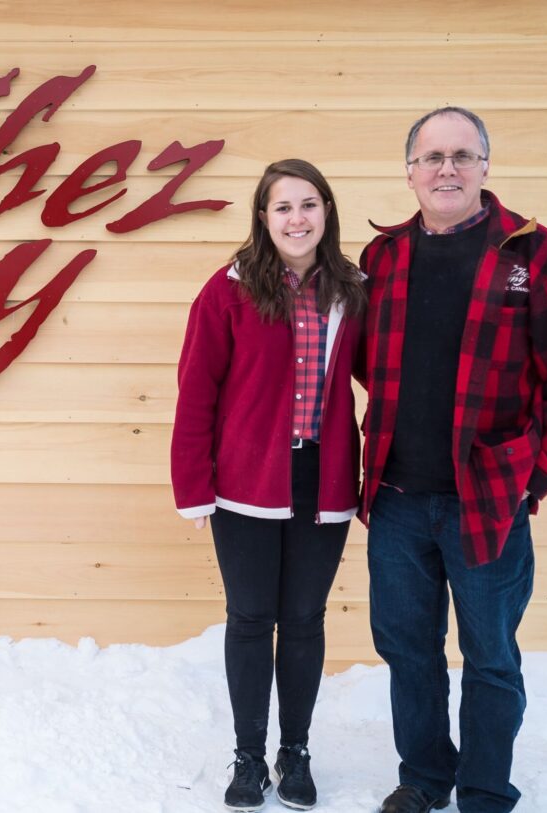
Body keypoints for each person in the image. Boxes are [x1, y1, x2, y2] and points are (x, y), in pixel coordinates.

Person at [359, 107, 547, 813]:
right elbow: (366, 363)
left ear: (484, 167)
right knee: (407, 649)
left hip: (489, 500)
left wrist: (536, 472)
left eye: (462, 156)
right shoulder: (382, 259)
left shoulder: (542, 258)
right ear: (409, 171)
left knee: (490, 656)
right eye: (431, 156)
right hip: (397, 498)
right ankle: (423, 777)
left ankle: (483, 788)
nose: (446, 169)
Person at [171, 159, 366, 812]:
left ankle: (296, 750)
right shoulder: (227, 290)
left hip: (323, 479)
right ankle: (249, 756)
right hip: (247, 482)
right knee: (251, 618)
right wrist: (193, 486)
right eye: (282, 207)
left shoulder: (351, 289)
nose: (296, 218)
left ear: (325, 211)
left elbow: (384, 378)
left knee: (304, 619)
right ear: (262, 217)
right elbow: (196, 390)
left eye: (308, 204)